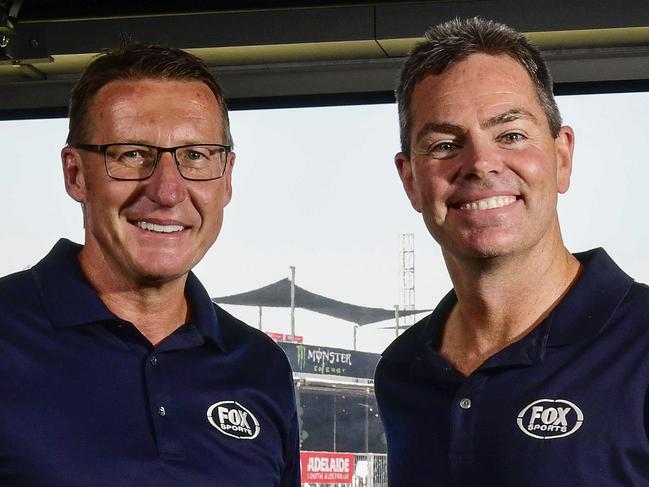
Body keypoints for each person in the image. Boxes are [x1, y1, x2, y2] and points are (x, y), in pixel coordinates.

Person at [0, 44, 299, 486]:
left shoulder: (260, 366)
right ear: (76, 175)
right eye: (131, 154)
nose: (167, 191)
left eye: (196, 156)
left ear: (227, 177)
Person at [374, 17, 649, 486]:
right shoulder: (402, 370)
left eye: (511, 135)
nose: (481, 163)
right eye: (444, 144)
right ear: (410, 181)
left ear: (562, 157)